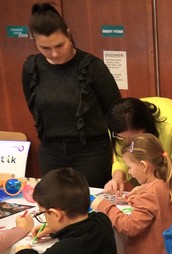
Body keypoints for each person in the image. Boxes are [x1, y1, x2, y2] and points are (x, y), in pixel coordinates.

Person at [22, 3, 121, 188]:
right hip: (51, 150)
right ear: (34, 41)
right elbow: (33, 106)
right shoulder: (31, 68)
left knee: (90, 201)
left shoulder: (92, 67)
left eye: (60, 45)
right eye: (45, 48)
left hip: (91, 151)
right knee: (54, 200)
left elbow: (115, 110)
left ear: (68, 34)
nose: (54, 53)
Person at [104, 97, 172, 214]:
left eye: (133, 137)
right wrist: (117, 178)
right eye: (123, 138)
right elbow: (122, 159)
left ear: (146, 127)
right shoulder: (117, 127)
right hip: (153, 174)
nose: (128, 142)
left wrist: (149, 190)